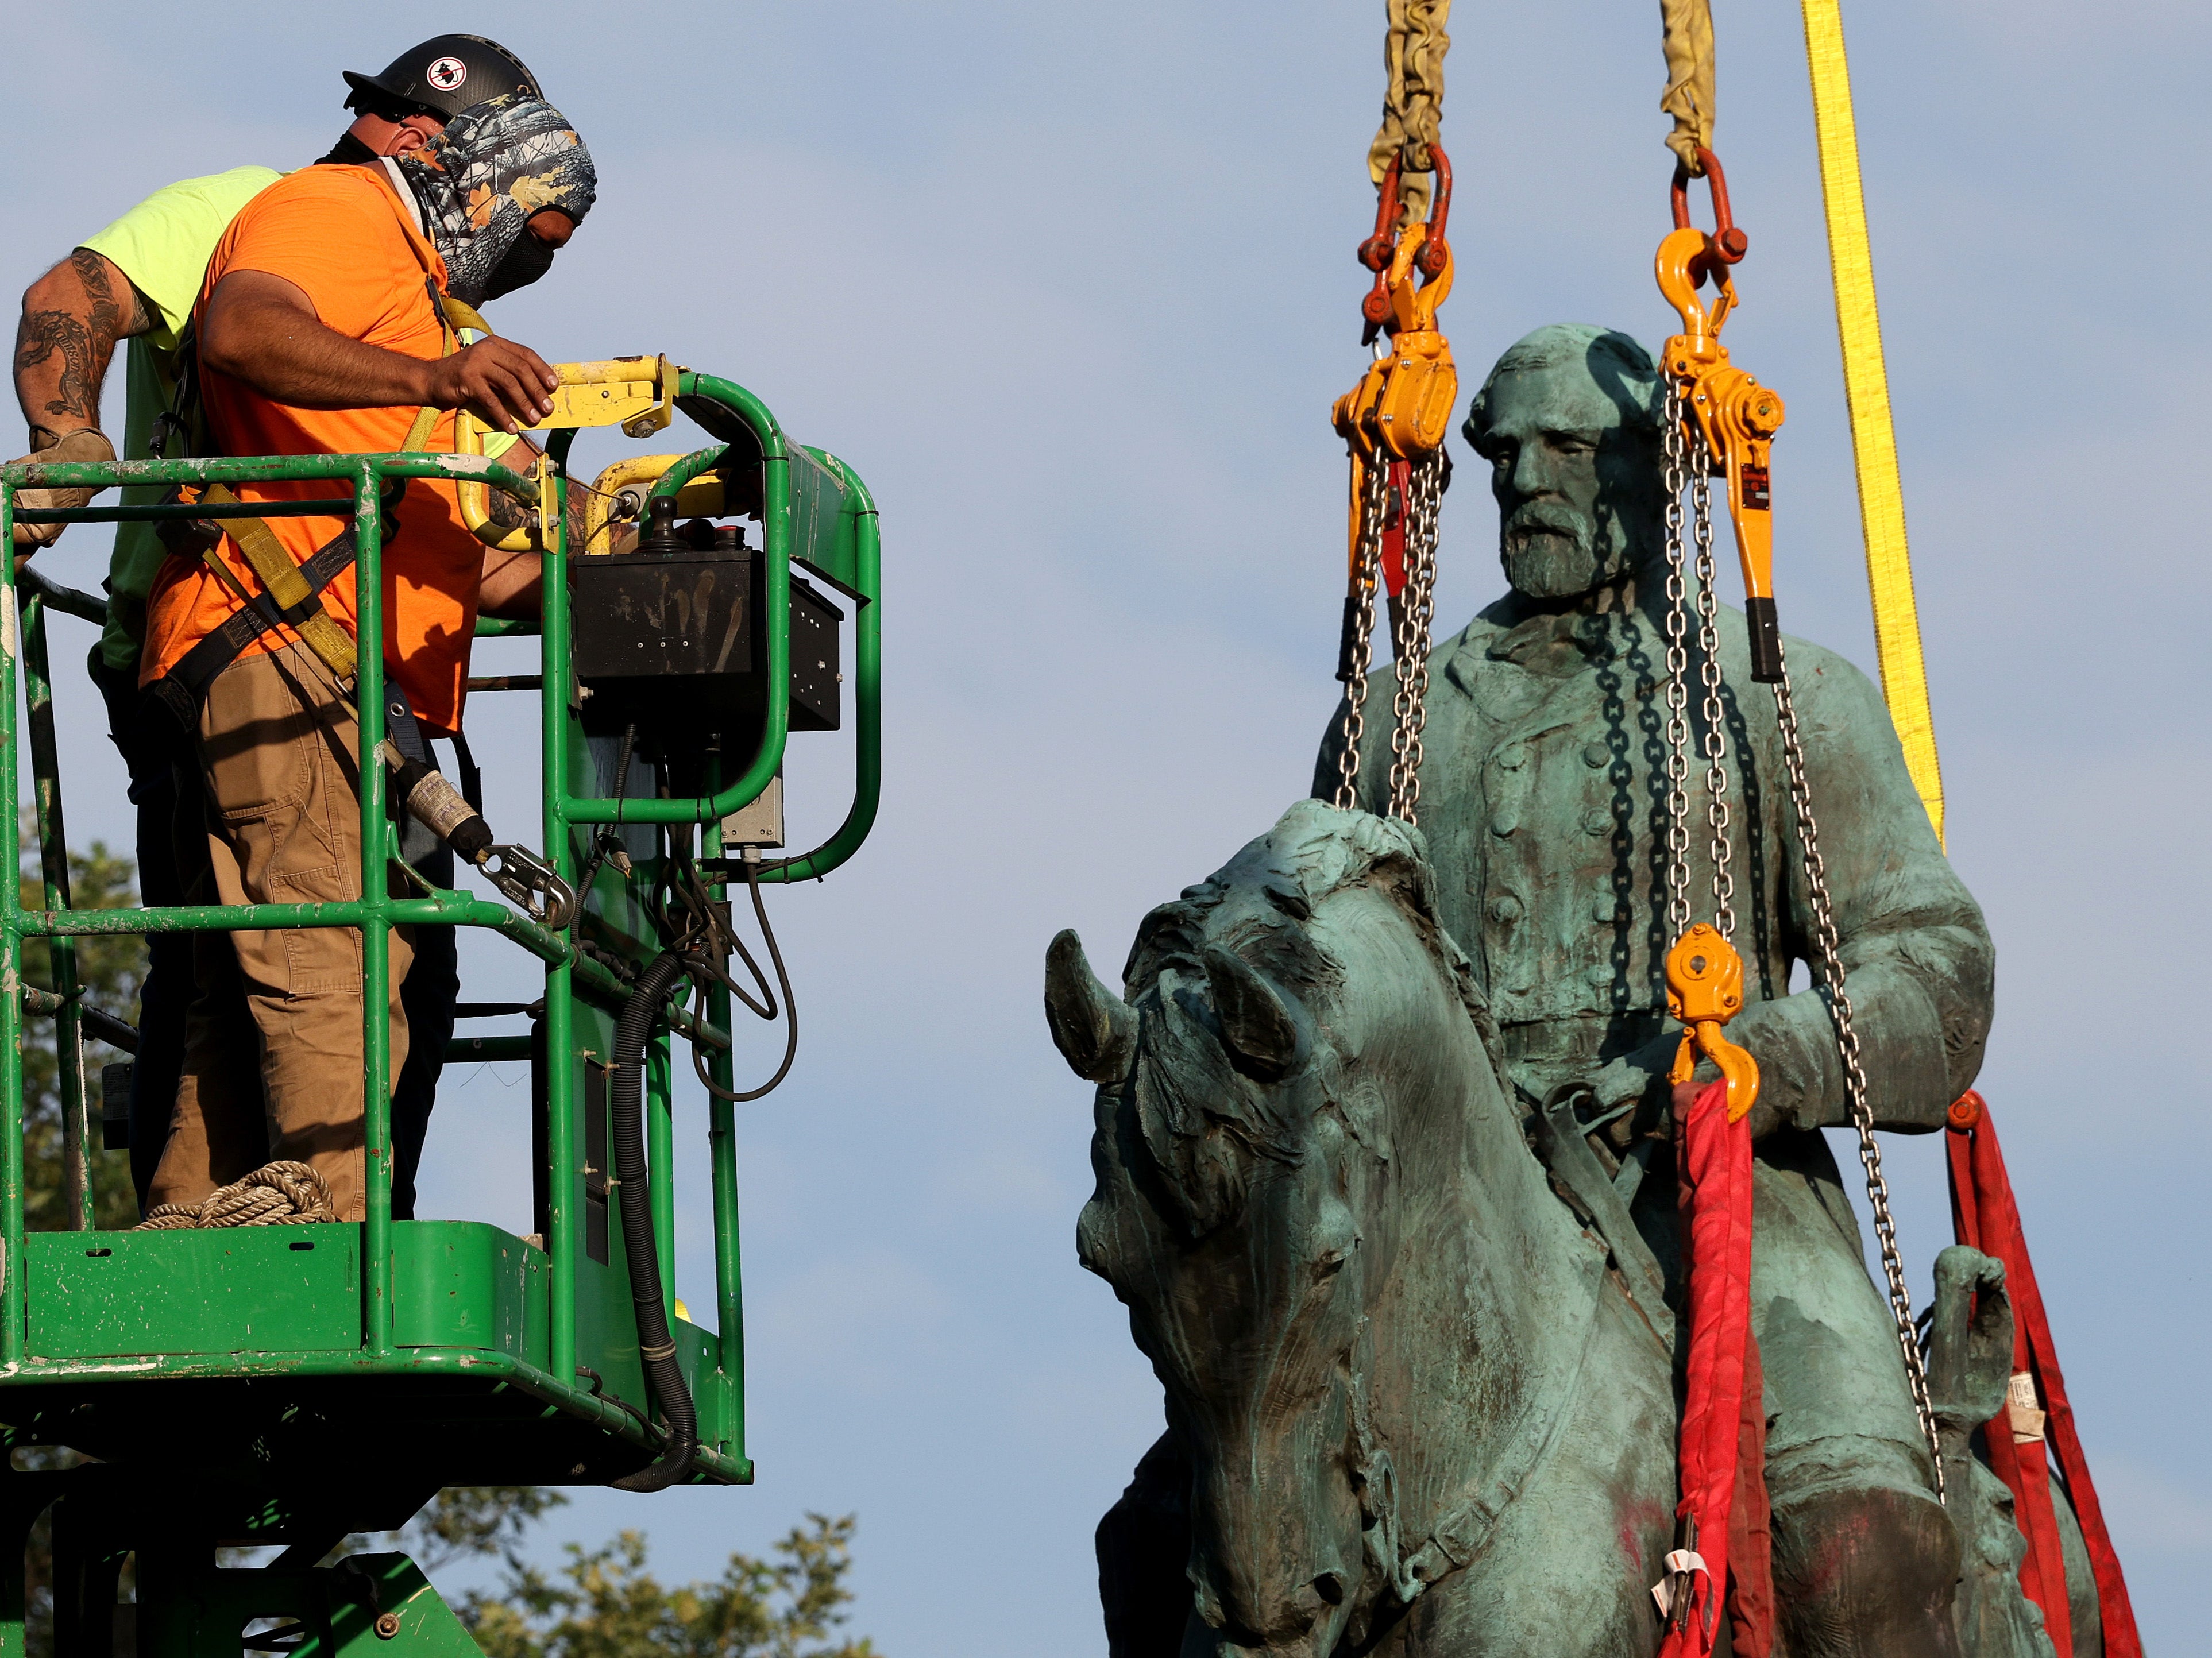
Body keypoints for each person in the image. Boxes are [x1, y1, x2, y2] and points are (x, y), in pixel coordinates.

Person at [1310, 323, 1994, 1652]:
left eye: (1570, 447)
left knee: (1861, 1538)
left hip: (1720, 1190)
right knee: (1178, 1518)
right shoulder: (1392, 718)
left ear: (1655, 468)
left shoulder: (1774, 693)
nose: (1526, 482)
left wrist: (1765, 1059)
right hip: (1444, 1225)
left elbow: (1940, 971)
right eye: (1502, 451)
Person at [7, 36, 549, 1218]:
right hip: (233, 625)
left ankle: (222, 1217)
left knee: (323, 955)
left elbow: (452, 535)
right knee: (284, 942)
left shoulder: (414, 306)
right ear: (422, 138)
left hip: (345, 659)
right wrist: (71, 441)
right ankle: (328, 1232)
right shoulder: (271, 213)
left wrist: (618, 579)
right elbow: (71, 298)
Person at [129, 90, 595, 1224]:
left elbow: (462, 565)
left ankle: (190, 1218)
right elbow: (241, 329)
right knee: (336, 940)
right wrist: (441, 380)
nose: (523, 273)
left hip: (286, 643)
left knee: (248, 964)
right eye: (530, 239)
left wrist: (619, 550)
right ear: (482, 184)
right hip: (269, 630)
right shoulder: (342, 211)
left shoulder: (410, 311)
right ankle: (332, 1218)